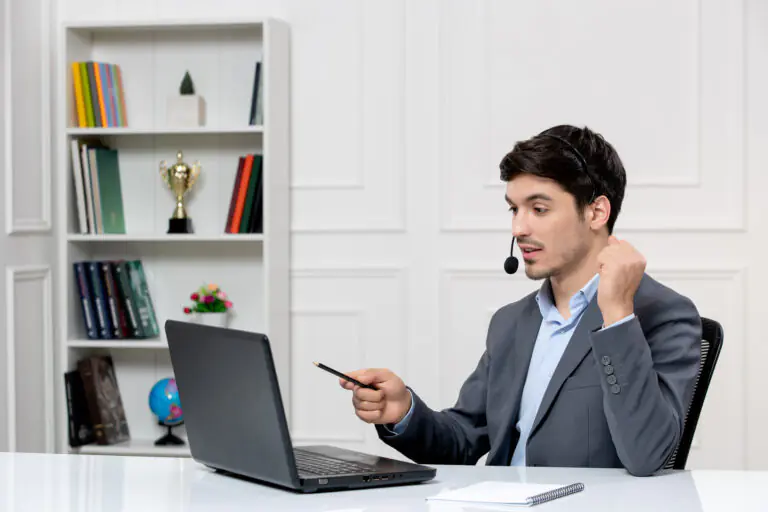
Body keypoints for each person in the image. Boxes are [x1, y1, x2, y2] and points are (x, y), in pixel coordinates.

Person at [339, 124, 702, 477]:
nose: (518, 229)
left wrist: (618, 316)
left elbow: (648, 456)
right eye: (514, 209)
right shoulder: (512, 322)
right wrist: (403, 412)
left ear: (596, 212)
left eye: (539, 209)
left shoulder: (664, 315)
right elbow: (464, 440)